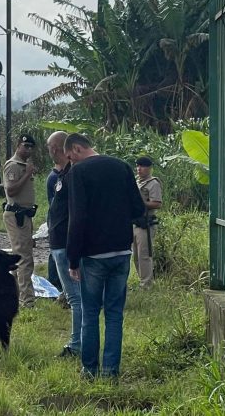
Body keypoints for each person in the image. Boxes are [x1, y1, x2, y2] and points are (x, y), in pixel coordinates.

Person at [64, 133, 145, 378]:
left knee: (90, 314)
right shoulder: (122, 167)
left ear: (77, 149)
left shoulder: (78, 173)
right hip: (121, 252)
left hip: (93, 256)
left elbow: (77, 218)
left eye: (70, 157)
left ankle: (89, 370)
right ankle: (110, 372)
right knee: (114, 315)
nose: (71, 163)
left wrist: (73, 258)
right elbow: (138, 209)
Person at [46, 131, 81, 357]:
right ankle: (80, 341)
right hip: (62, 243)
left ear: (57, 149)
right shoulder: (60, 175)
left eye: (51, 149)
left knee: (76, 298)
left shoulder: (73, 175)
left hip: (66, 245)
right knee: (77, 297)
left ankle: (77, 344)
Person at [2, 134, 38, 307]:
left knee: (22, 255)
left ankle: (15, 295)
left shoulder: (24, 165)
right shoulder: (14, 166)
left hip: (25, 216)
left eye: (31, 147)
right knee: (25, 258)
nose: (28, 150)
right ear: (18, 146)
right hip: (16, 215)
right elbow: (11, 191)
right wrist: (27, 174)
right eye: (25, 146)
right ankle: (27, 300)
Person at [132, 156, 162, 288]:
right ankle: (142, 281)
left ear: (149, 168)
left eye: (142, 166)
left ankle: (146, 284)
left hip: (146, 223)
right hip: (135, 222)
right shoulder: (137, 182)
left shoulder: (153, 183)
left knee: (144, 255)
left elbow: (157, 203)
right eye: (138, 166)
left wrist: (141, 203)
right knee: (136, 256)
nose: (139, 169)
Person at [45, 160, 63, 293]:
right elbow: (54, 203)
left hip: (58, 218)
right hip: (56, 218)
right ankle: (54, 282)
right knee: (55, 252)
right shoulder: (54, 177)